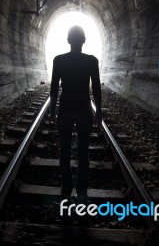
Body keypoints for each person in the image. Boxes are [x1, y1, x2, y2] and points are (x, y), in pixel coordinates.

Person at [49, 25, 102, 200]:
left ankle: (66, 187)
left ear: (68, 40)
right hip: (84, 109)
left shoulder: (59, 60)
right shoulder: (92, 61)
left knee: (64, 150)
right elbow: (95, 88)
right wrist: (99, 111)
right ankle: (81, 190)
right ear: (84, 41)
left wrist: (52, 111)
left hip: (65, 109)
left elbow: (54, 88)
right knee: (83, 152)